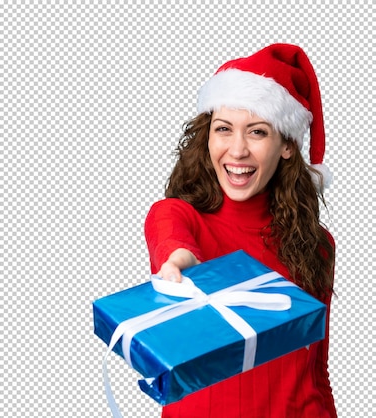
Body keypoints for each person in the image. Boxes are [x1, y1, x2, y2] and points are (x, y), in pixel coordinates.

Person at [144, 43, 336, 418]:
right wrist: (178, 259)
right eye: (224, 129)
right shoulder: (179, 216)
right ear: (208, 137)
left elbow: (316, 371)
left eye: (257, 132)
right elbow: (170, 239)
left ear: (286, 145)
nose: (237, 150)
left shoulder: (318, 246)